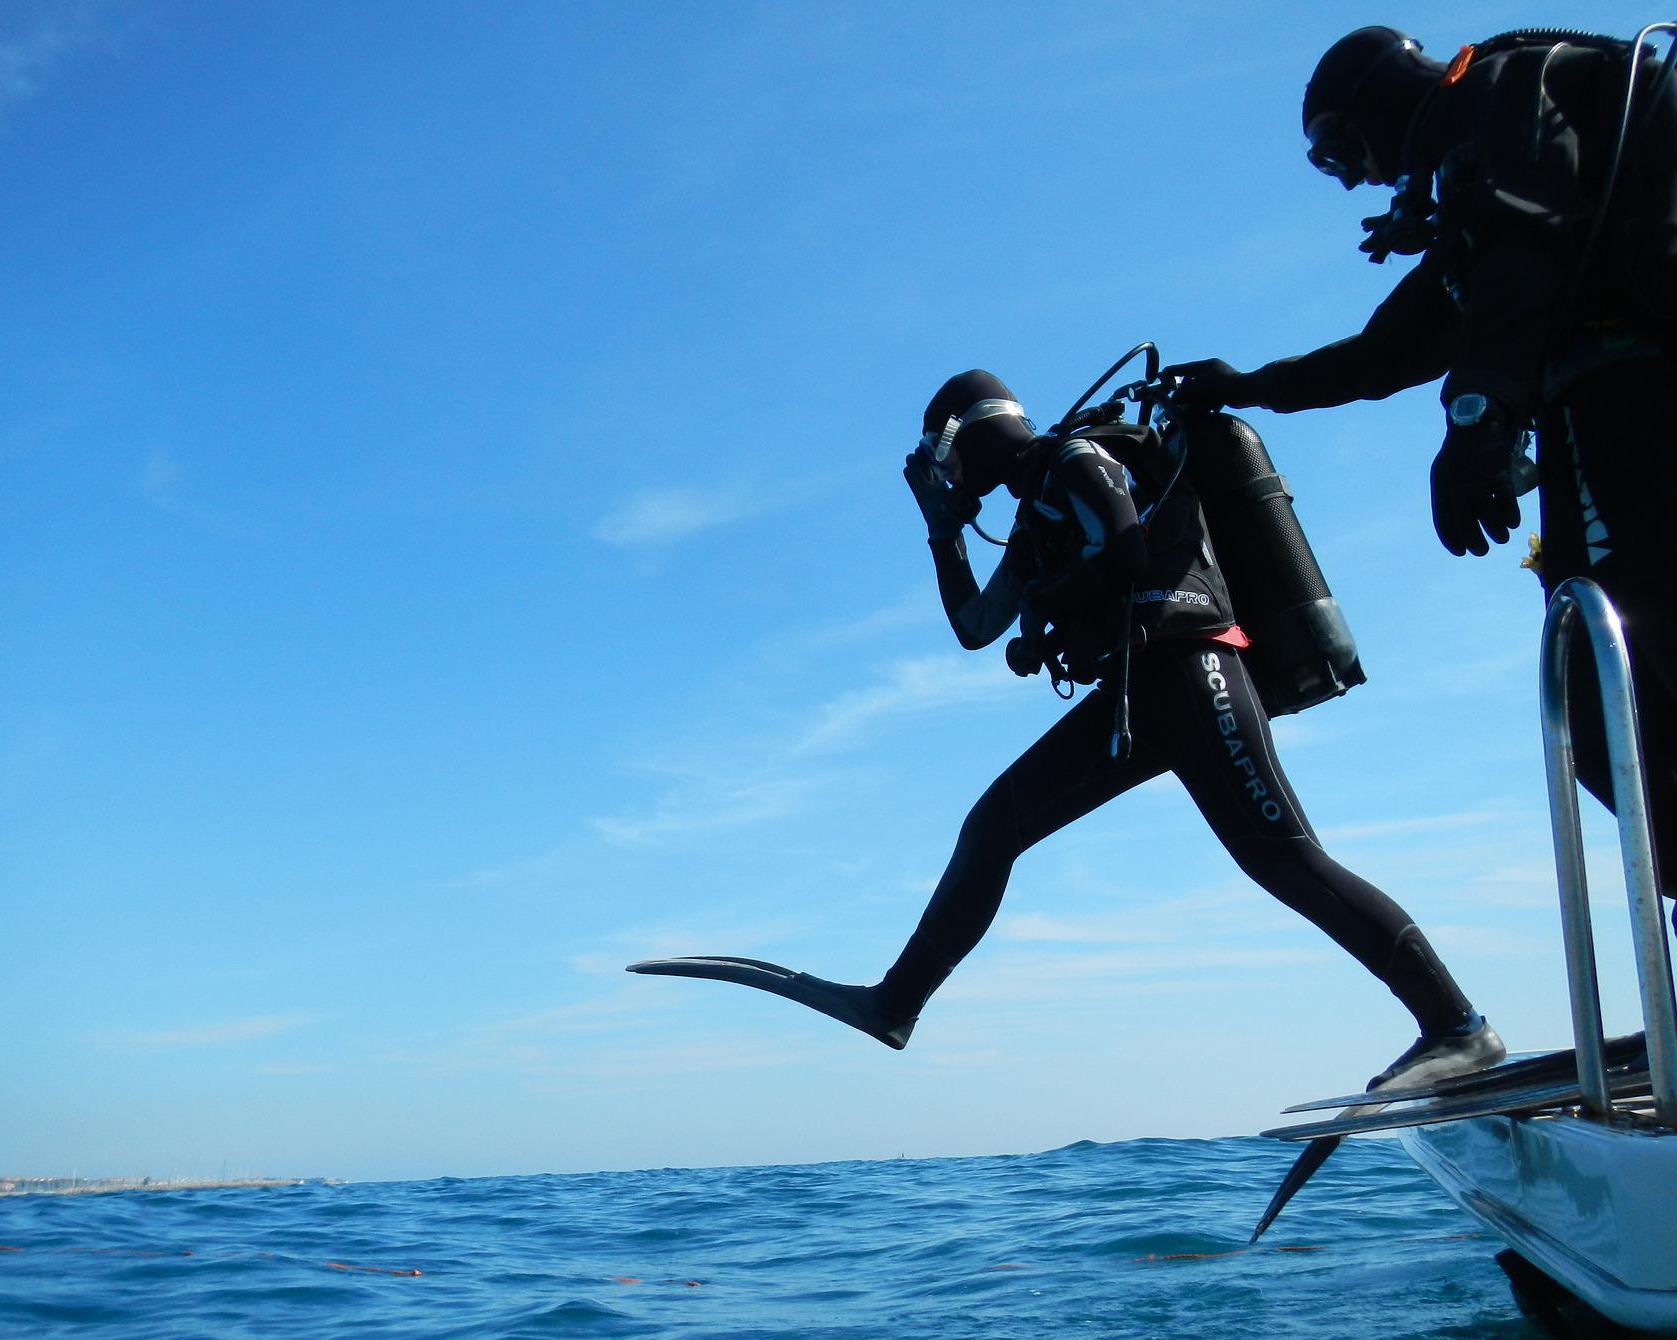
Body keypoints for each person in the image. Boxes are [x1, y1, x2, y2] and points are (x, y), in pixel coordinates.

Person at [632, 370, 1503, 1092]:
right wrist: (942, 534)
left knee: (1282, 855)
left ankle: (1457, 1025)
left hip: (1192, 667)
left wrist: (1052, 607)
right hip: (1140, 691)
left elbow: (1124, 549)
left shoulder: (1077, 460)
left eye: (941, 466)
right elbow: (977, 625)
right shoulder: (1034, 509)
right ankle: (894, 1005)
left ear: (955, 441)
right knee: (994, 827)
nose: (945, 480)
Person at [1169, 24, 1677, 878]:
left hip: (1633, 399)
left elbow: (1523, 262)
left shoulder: (1504, 98)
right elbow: (1391, 349)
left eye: (1340, 151)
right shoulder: (1485, 179)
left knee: (1625, 666)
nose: (1358, 176)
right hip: (1602, 412)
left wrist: (1477, 423)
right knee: (1600, 704)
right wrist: (1252, 384)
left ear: (1376, 105)